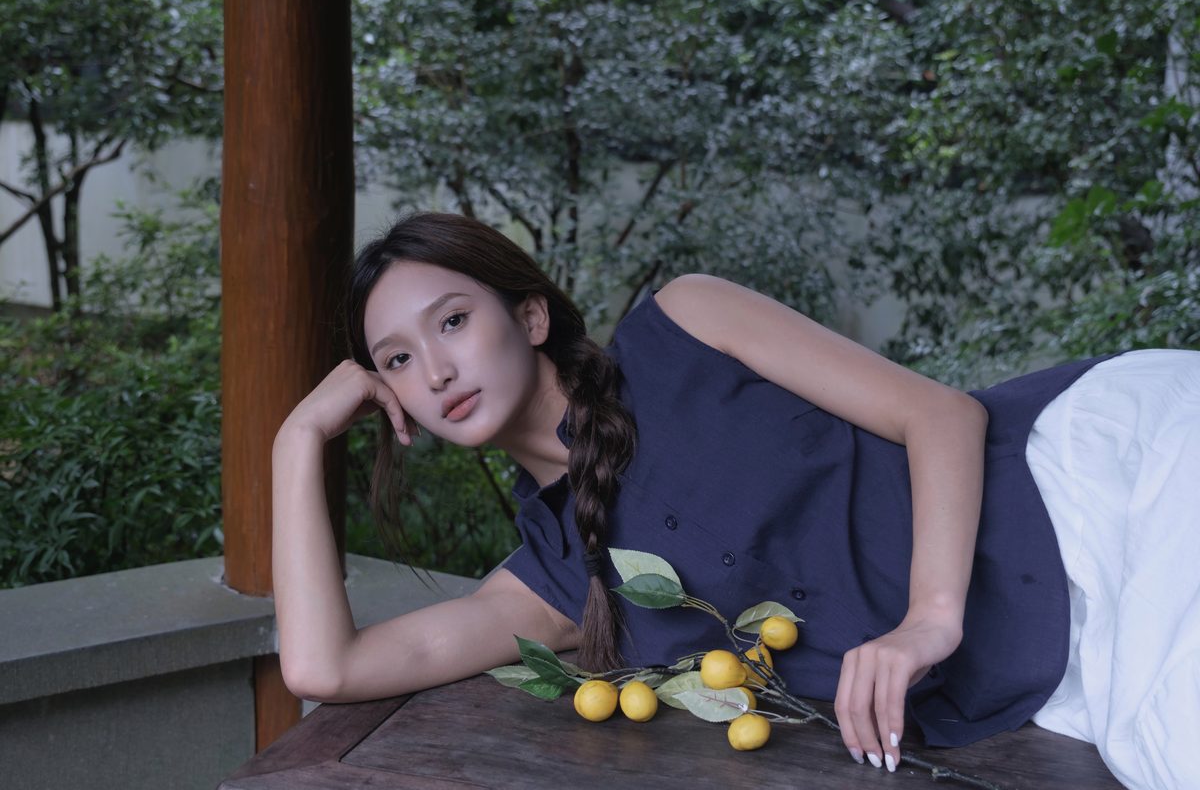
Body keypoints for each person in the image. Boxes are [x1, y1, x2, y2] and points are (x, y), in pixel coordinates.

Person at [272, 212, 1199, 790]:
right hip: (1059, 668)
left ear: (530, 316)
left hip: (1093, 479)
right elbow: (324, 668)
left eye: (453, 321)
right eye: (398, 360)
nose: (435, 371)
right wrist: (297, 440)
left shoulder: (686, 323)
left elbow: (942, 415)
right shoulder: (553, 583)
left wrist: (927, 620)